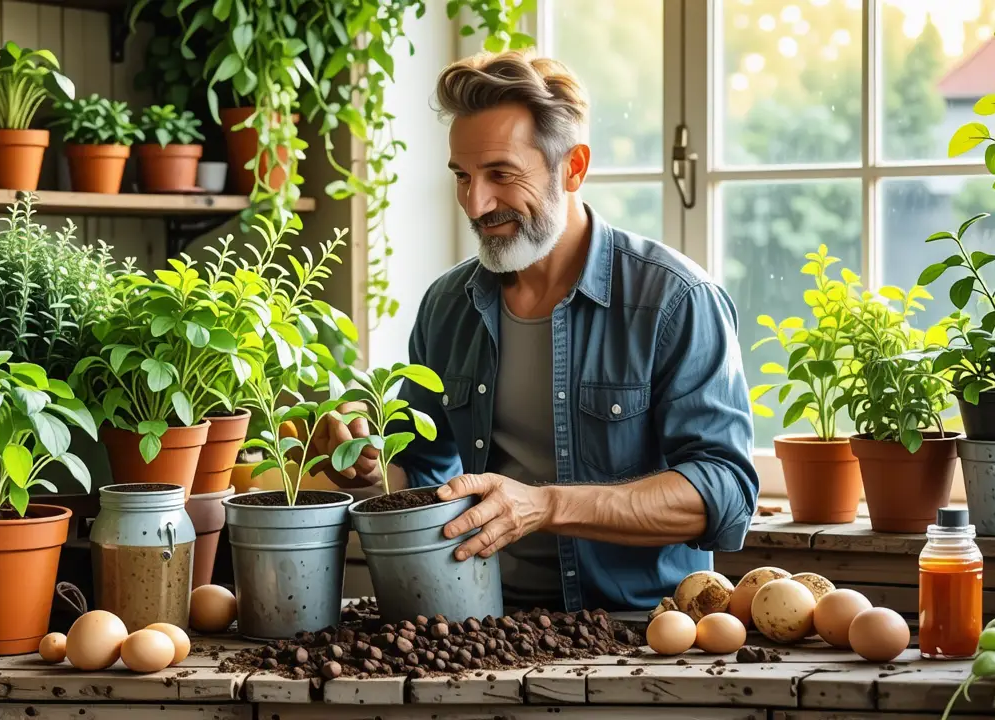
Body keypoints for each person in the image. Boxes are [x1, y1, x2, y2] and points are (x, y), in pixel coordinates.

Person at [315, 50, 758, 614]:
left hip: (640, 628)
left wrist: (545, 505)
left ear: (572, 167)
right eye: (463, 177)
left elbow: (724, 492)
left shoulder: (675, 300)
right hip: (477, 619)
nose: (476, 203)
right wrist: (366, 463)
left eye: (501, 174)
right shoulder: (448, 305)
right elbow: (421, 473)